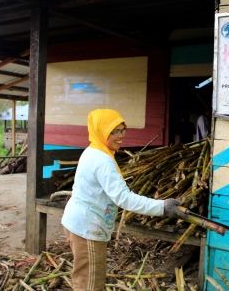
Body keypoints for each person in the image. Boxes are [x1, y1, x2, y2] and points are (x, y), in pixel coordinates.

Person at [61, 109, 187, 291]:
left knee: (84, 278)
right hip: (87, 228)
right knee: (89, 284)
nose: (121, 136)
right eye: (114, 131)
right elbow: (124, 198)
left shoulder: (93, 150)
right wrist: (163, 207)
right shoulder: (102, 160)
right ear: (101, 131)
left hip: (79, 222)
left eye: (123, 130)